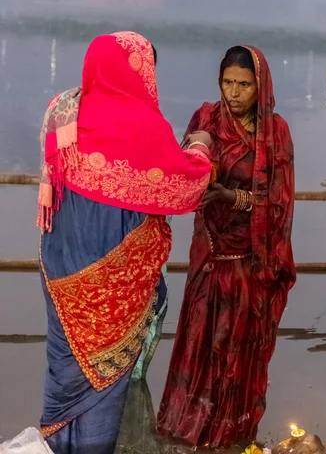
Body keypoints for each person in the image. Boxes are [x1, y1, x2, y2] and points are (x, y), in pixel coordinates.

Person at [37, 31, 212, 454]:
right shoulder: (145, 128)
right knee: (105, 379)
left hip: (61, 269)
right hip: (116, 280)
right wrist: (201, 148)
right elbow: (185, 187)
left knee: (66, 367)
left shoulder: (63, 110)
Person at [157, 45, 296, 449]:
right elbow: (184, 170)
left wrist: (229, 197)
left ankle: (230, 433)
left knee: (237, 351)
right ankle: (189, 426)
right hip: (210, 252)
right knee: (201, 338)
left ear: (261, 86)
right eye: (227, 83)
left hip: (250, 263)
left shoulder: (275, 132)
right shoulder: (205, 118)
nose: (233, 93)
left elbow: (278, 201)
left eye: (244, 85)